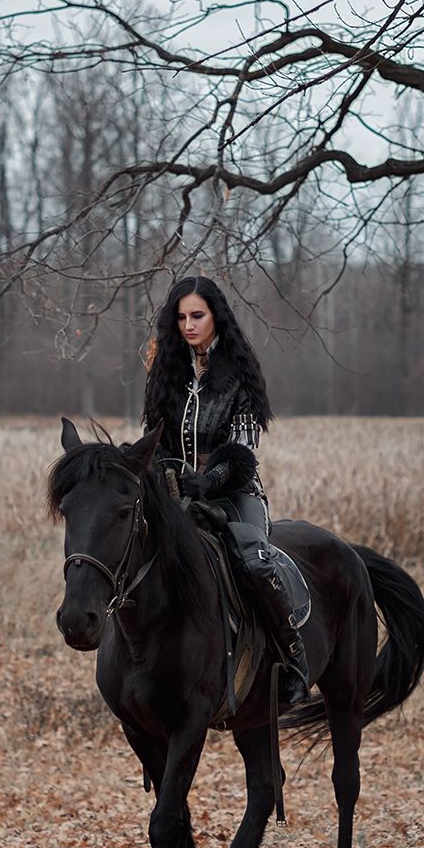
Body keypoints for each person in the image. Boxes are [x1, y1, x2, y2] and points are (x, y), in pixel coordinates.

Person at [142, 275, 310, 711]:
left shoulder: (239, 372)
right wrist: (160, 473)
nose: (188, 325)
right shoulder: (166, 372)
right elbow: (153, 437)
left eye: (197, 315)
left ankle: (293, 660)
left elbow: (242, 447)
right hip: (175, 491)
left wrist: (211, 479)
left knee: (255, 560)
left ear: (216, 315)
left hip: (234, 492)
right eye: (180, 317)